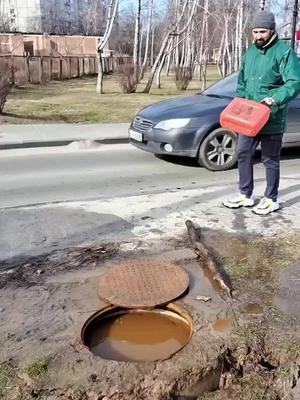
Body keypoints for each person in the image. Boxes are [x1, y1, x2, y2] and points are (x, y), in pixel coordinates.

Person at [223, 10, 300, 215]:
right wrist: (238, 105)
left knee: (270, 159)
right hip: (249, 119)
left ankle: (270, 198)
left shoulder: (284, 52)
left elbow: (294, 82)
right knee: (243, 153)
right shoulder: (250, 53)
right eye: (255, 31)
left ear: (271, 31)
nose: (258, 36)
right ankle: (245, 195)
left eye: (262, 31)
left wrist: (275, 98)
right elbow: (242, 83)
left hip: (271, 117)